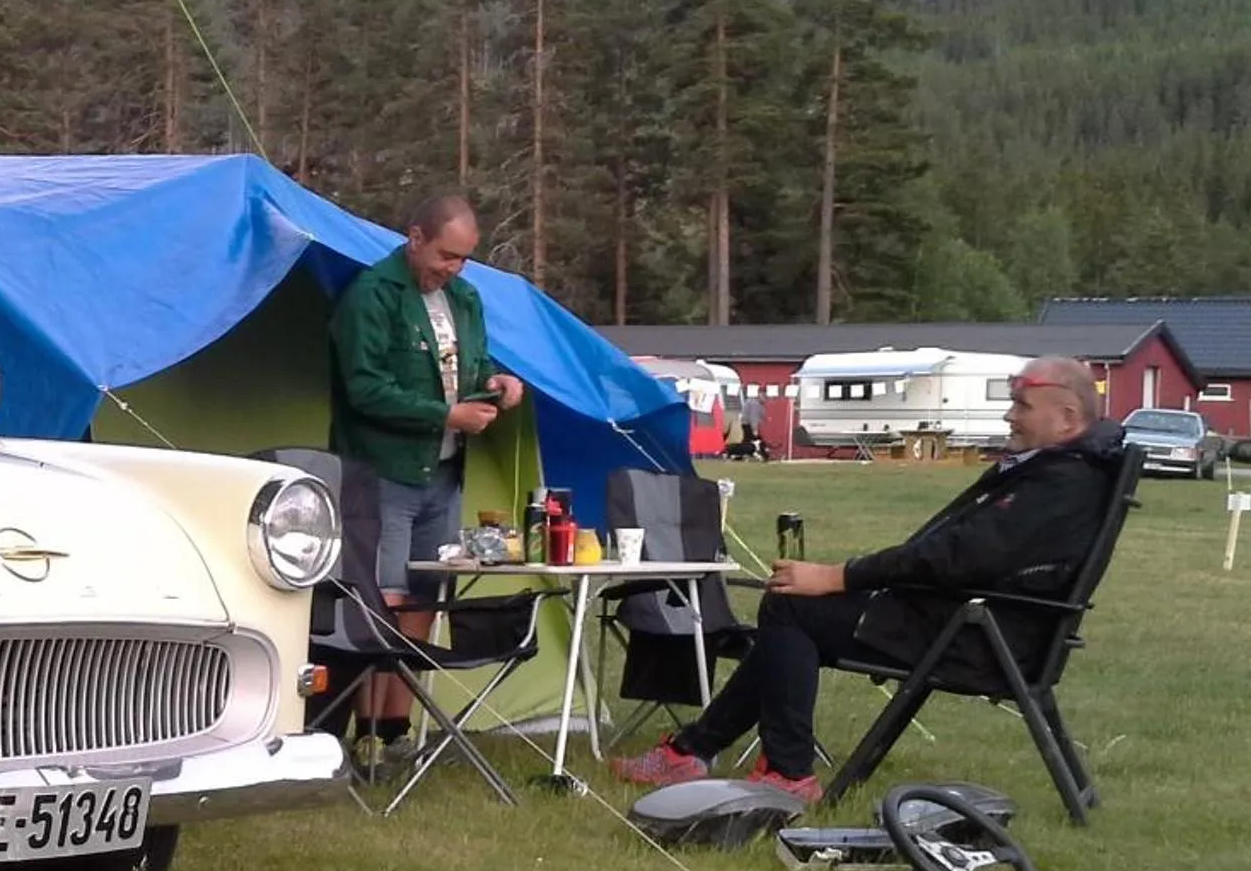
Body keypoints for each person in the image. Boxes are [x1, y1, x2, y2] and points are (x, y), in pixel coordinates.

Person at [612, 355, 1124, 802]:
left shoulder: (1061, 482)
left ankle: (787, 772)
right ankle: (693, 749)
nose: (1010, 416)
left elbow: (953, 558)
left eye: (1022, 407)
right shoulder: (1067, 471)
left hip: (973, 636)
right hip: (980, 625)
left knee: (790, 605)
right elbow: (957, 555)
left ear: (1067, 418)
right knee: (794, 606)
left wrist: (842, 576)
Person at [329, 195, 525, 767]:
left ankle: (398, 729)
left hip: (444, 473)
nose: (454, 269)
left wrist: (497, 383)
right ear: (414, 237)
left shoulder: (464, 298)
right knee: (380, 604)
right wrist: (446, 416)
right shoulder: (372, 295)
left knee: (423, 599)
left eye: (464, 259)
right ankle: (362, 734)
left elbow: (472, 366)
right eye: (446, 256)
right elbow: (363, 389)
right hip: (383, 473)